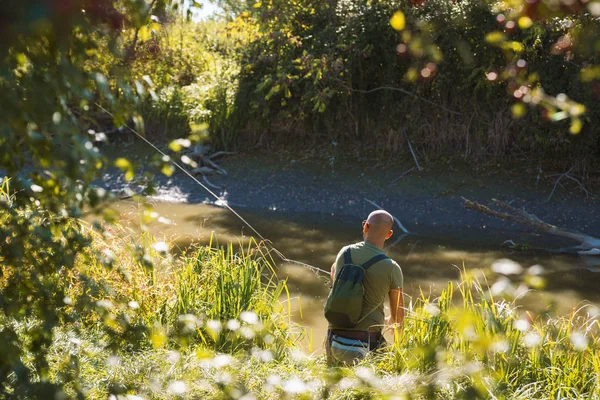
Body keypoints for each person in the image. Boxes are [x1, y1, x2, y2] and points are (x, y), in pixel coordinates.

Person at [325, 210, 404, 365]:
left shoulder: (344, 253)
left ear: (365, 227)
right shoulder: (392, 268)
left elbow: (335, 278)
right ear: (389, 235)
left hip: (333, 339)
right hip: (366, 343)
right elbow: (399, 319)